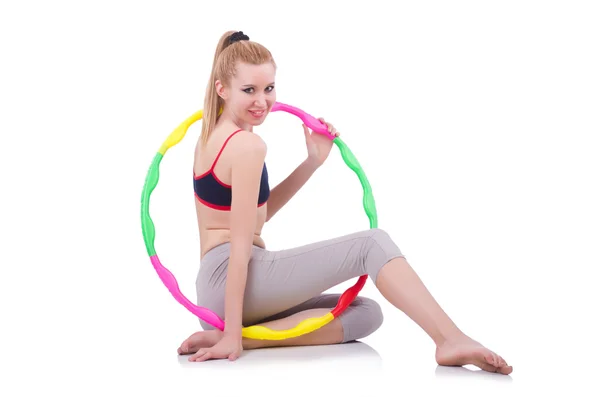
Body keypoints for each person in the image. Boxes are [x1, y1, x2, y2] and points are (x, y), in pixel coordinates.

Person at [177, 30, 513, 375]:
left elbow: (252, 220)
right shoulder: (248, 146)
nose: (262, 101)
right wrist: (232, 331)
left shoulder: (212, 136)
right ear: (222, 89)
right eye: (249, 90)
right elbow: (240, 248)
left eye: (269, 88)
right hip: (233, 277)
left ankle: (249, 338)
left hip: (218, 288)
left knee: (365, 312)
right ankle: (450, 339)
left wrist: (311, 162)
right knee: (372, 243)